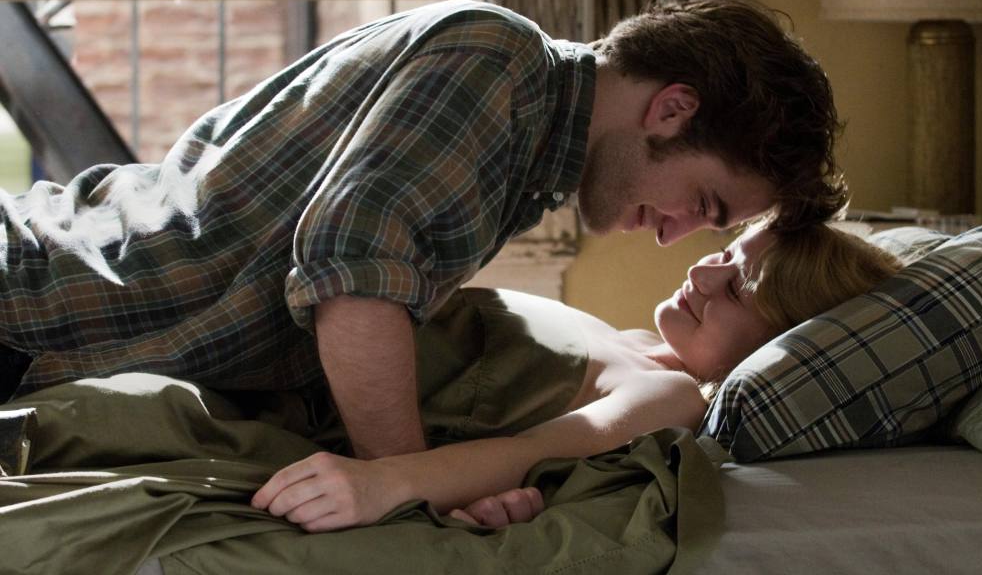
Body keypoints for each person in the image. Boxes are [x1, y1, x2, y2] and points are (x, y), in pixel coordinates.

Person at [0, 0, 846, 460]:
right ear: (671, 110)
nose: (673, 237)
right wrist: (400, 486)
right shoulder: (499, 64)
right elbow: (351, 267)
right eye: (704, 204)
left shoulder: (525, 153)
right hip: (37, 299)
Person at [251, 222, 903, 531]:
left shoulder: (670, 394)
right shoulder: (639, 345)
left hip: (290, 392)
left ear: (775, 344)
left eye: (736, 288)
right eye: (726, 252)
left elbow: (528, 452)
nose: (702, 273)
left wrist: (384, 483)